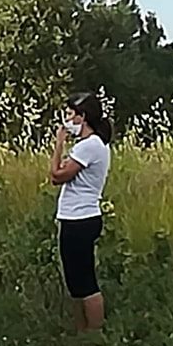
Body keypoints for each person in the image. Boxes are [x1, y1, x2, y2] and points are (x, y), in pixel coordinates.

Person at [50, 92, 113, 332]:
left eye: (70, 115)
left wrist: (58, 144)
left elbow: (57, 176)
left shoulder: (89, 146)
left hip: (80, 218)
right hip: (77, 217)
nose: (66, 120)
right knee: (75, 281)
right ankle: (82, 332)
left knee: (85, 282)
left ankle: (94, 335)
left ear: (82, 116)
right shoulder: (92, 146)